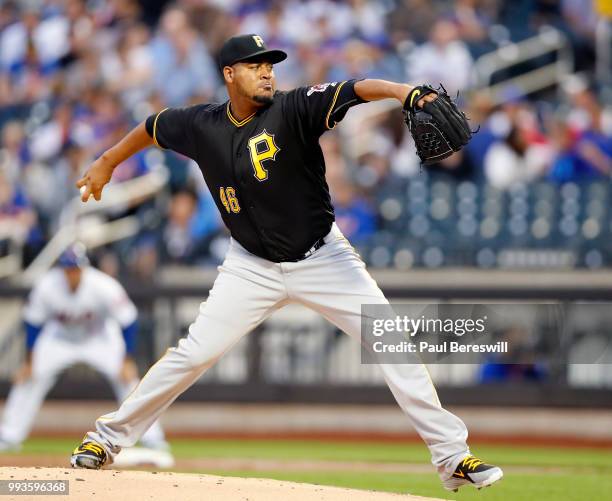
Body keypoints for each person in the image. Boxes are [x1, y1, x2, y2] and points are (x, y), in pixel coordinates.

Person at [70, 34, 503, 492]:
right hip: (250, 266)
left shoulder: (295, 108)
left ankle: (453, 457)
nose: (266, 71)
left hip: (324, 258)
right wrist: (107, 161)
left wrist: (404, 92)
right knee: (193, 354)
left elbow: (356, 89)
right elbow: (152, 126)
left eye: (270, 65)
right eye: (254, 65)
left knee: (392, 343)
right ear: (229, 74)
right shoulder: (200, 124)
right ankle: (106, 439)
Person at [0, 244, 173, 468]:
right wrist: (29, 362)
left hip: (98, 338)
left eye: (75, 268)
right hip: (58, 339)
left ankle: (153, 438)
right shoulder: (47, 285)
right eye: (68, 268)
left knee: (128, 381)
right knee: (30, 377)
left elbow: (128, 321)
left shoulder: (103, 285)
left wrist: (127, 359)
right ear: (62, 269)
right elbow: (33, 323)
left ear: (84, 268)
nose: (71, 273)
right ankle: (8, 436)